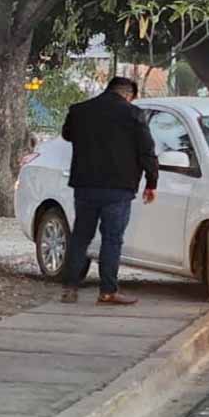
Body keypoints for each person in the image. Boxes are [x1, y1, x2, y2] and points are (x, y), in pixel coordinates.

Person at [60, 77, 158, 305]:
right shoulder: (133, 114)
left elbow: (67, 135)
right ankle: (107, 291)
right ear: (128, 94)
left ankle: (70, 288)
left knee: (80, 237)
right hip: (118, 187)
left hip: (84, 185)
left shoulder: (80, 110)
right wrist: (152, 182)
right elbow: (147, 151)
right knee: (112, 239)